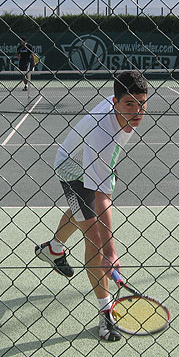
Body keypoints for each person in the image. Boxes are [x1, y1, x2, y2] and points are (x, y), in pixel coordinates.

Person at [35, 70, 148, 342]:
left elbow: (99, 190)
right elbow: (100, 197)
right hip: (71, 168)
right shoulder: (103, 135)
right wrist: (110, 252)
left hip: (96, 161)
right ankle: (106, 313)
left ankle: (52, 249)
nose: (137, 111)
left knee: (83, 213)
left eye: (142, 103)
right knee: (95, 238)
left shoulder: (121, 116)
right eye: (130, 104)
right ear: (116, 101)